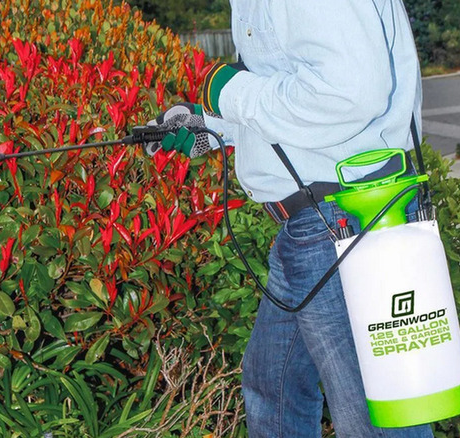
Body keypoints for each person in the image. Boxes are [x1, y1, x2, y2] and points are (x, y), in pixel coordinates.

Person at [149, 0, 434, 436]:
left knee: (374, 418)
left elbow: (350, 93)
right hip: (321, 225)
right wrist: (212, 124)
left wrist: (229, 92)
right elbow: (296, 90)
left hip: (343, 223)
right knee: (275, 386)